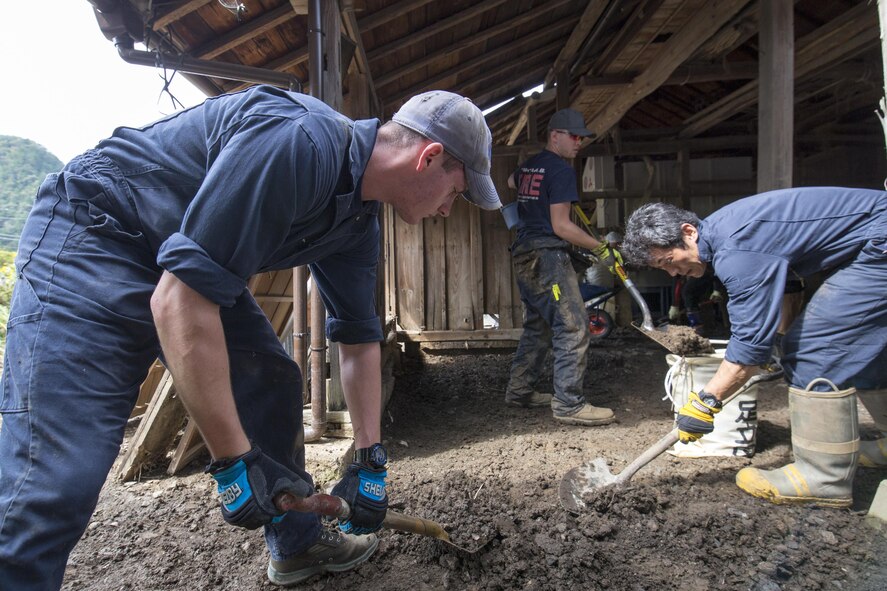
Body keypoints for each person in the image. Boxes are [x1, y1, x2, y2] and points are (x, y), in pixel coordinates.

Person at [0, 86, 501, 590]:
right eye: (455, 193)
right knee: (55, 477)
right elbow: (177, 303)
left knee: (269, 380)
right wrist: (234, 462)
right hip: (98, 236)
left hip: (188, 262)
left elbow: (358, 340)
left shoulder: (357, 223)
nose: (446, 209)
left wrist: (369, 459)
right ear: (429, 157)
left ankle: (298, 545)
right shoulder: (301, 144)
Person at [621, 188, 887, 507]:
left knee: (811, 349)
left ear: (688, 233)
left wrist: (706, 402)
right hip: (870, 242)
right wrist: (772, 342)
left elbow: (748, 346)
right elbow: (785, 288)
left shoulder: (737, 250)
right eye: (662, 269)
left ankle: (823, 477)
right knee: (867, 349)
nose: (673, 272)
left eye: (669, 261)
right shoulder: (725, 233)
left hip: (879, 242)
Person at [503, 108, 620, 426]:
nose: (579, 141)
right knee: (573, 325)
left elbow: (512, 180)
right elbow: (562, 227)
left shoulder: (531, 167)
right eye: (573, 136)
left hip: (524, 254)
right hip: (547, 258)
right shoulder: (562, 171)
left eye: (581, 137)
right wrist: (600, 248)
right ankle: (569, 404)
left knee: (538, 326)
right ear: (555, 135)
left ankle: (520, 391)